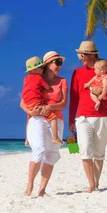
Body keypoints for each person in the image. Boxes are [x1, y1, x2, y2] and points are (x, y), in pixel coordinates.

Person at [69, 41, 107, 193]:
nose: (80, 58)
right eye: (79, 55)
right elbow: (74, 97)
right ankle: (91, 185)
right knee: (85, 150)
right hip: (83, 117)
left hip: (102, 117)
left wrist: (102, 92)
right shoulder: (77, 73)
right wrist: (71, 120)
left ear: (91, 55)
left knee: (99, 153)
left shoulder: (106, 71)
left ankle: (96, 183)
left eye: (82, 55)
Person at [20, 51, 68, 197]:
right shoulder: (35, 79)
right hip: (37, 119)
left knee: (51, 154)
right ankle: (30, 185)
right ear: (47, 64)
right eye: (57, 62)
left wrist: (49, 107)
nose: (60, 65)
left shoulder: (62, 81)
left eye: (61, 62)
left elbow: (63, 104)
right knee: (39, 149)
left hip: (56, 119)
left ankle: (42, 190)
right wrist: (31, 112)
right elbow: (22, 102)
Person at [22, 56, 64, 146]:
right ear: (34, 70)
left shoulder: (25, 79)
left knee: (28, 121)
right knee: (53, 117)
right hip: (38, 105)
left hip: (28, 103)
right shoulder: (39, 78)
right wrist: (49, 87)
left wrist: (30, 111)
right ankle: (55, 137)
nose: (42, 69)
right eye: (41, 67)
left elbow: (24, 97)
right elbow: (47, 87)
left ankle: (27, 139)